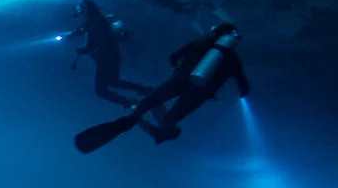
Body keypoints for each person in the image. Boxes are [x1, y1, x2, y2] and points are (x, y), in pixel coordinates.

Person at [75, 22, 250, 153]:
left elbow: (173, 58)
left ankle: (130, 121)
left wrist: (178, 70)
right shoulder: (233, 59)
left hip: (179, 81)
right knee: (170, 122)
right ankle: (160, 132)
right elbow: (244, 87)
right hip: (198, 92)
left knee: (148, 102)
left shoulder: (198, 44)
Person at [65, 0, 151, 108]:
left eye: (79, 13)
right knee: (114, 82)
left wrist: (80, 49)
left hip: (105, 59)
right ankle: (141, 90)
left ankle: (129, 102)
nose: (78, 16)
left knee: (101, 90)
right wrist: (74, 33)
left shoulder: (92, 25)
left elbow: (90, 46)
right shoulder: (99, 20)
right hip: (112, 56)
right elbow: (92, 33)